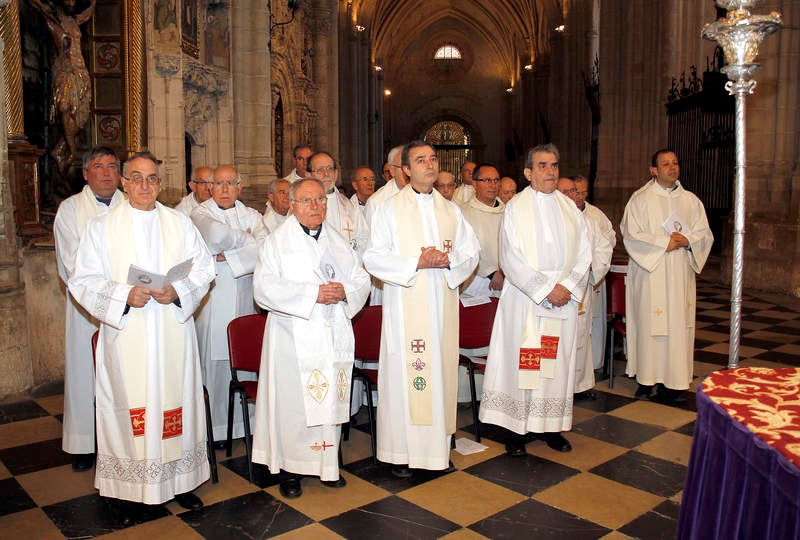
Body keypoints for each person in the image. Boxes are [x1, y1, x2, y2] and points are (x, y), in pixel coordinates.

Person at [68, 152, 215, 522]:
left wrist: (178, 291)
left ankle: (180, 483)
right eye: (137, 178)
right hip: (128, 336)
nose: (145, 186)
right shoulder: (101, 228)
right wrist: (123, 296)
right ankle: (131, 489)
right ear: (124, 182)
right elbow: (82, 280)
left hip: (171, 334)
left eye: (152, 179)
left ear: (160, 184)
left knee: (174, 405)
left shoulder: (179, 223)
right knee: (130, 407)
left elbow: (204, 268)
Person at [363, 140, 479, 477]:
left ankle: (436, 452)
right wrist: (416, 261)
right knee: (406, 376)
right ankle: (401, 454)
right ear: (406, 170)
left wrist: (449, 260)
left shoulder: (450, 210)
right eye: (420, 160)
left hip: (441, 308)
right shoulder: (388, 209)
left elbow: (471, 251)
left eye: (432, 159)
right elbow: (372, 257)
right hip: (406, 309)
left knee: (439, 373)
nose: (429, 165)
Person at [251, 178, 370, 499]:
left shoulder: (336, 241)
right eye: (306, 201)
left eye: (320, 200)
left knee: (328, 401)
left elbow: (361, 278)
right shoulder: (277, 242)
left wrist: (345, 290)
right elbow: (263, 289)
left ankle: (327, 466)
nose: (315, 206)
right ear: (291, 204)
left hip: (332, 335)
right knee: (295, 405)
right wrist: (312, 295)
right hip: (293, 336)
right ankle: (291, 471)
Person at [480, 144, 591, 456]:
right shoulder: (516, 207)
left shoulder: (570, 208)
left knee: (554, 364)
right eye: (543, 166)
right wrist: (545, 290)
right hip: (527, 301)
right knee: (525, 362)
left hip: (563, 302)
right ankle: (517, 429)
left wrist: (567, 286)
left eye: (554, 165)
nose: (550, 171)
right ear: (528, 173)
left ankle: (551, 426)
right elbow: (510, 256)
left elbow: (585, 254)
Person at [621, 149, 713, 403]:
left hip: (679, 273)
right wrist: (664, 243)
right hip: (651, 272)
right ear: (654, 170)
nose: (672, 167)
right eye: (665, 164)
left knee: (676, 326)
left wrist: (689, 240)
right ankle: (646, 379)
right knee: (649, 324)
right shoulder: (640, 199)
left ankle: (673, 383)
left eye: (675, 162)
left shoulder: (691, 201)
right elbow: (631, 234)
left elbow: (704, 233)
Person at [54, 146, 124, 472]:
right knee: (87, 373)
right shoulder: (70, 211)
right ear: (86, 173)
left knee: (124, 377)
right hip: (88, 310)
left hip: (129, 308)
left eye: (113, 166)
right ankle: (85, 442)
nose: (107, 173)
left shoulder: (133, 207)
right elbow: (73, 263)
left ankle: (123, 440)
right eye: (99, 167)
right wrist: (115, 290)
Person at [191, 165, 267, 442]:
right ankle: (216, 429)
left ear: (240, 187)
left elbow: (265, 249)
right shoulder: (200, 214)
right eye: (219, 183)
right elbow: (214, 235)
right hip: (212, 303)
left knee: (245, 360)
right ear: (209, 187)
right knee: (214, 364)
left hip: (245, 299)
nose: (224, 189)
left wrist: (229, 256)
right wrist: (245, 241)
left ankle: (245, 427)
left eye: (230, 183)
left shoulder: (252, 215)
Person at [557, 177, 615, 399]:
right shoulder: (549, 221)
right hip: (556, 292)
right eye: (566, 191)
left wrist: (592, 267)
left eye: (573, 191)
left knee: (581, 334)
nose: (572, 195)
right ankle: (558, 387)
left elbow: (603, 247)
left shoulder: (589, 221)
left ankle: (578, 385)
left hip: (581, 289)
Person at [28, 0, 95, 177]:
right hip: (65, 70)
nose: (72, 2)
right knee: (64, 107)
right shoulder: (53, 21)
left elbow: (88, 13)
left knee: (79, 116)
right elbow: (38, 5)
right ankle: (71, 151)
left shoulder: (74, 21)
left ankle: (59, 149)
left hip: (81, 72)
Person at [573, 175, 616, 383]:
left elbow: (608, 241)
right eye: (576, 192)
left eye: (583, 192)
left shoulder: (594, 216)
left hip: (587, 282)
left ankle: (582, 381)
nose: (580, 196)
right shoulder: (559, 215)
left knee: (586, 331)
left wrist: (593, 266)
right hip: (564, 286)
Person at [308, 151, 369, 255]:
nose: (326, 174)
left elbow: (363, 238)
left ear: (336, 174)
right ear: (308, 175)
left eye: (329, 169)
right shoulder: (301, 206)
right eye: (319, 170)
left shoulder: (349, 206)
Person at [460, 163, 506, 295]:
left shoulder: (508, 213)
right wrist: (491, 273)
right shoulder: (463, 214)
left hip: (507, 280)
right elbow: (464, 249)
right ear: (475, 184)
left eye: (496, 180)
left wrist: (504, 273)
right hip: (476, 281)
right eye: (487, 180)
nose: (493, 185)